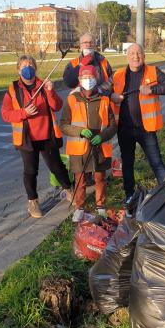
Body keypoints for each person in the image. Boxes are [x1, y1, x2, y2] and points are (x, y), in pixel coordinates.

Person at [1, 54, 72, 218]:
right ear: (18, 70)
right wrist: (23, 113)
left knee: (57, 166)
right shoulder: (13, 90)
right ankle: (33, 202)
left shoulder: (43, 85)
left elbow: (57, 105)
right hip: (27, 139)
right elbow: (5, 114)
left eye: (31, 65)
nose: (28, 69)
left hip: (47, 135)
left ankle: (68, 189)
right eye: (24, 66)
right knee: (30, 171)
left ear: (35, 68)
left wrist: (51, 91)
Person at [111, 43, 165, 210]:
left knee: (156, 162)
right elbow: (102, 90)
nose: (136, 57)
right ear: (127, 56)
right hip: (124, 129)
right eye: (132, 53)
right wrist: (111, 95)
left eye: (139, 53)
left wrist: (153, 89)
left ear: (144, 56)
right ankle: (129, 195)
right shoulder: (118, 75)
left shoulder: (152, 72)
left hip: (146, 129)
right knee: (127, 163)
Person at [60, 64, 116, 223]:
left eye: (90, 77)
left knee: (100, 177)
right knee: (80, 180)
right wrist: (79, 131)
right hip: (79, 148)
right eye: (84, 77)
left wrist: (103, 136)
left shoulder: (104, 99)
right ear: (79, 80)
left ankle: (101, 206)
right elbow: (63, 125)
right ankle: (80, 207)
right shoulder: (72, 99)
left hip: (99, 147)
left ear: (96, 79)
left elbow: (113, 125)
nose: (88, 80)